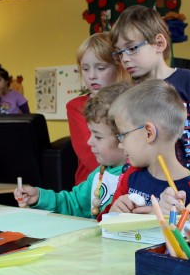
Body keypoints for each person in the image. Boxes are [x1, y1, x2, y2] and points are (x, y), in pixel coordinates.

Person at [110, 5, 190, 190]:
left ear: (160, 44)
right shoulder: (132, 95)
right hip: (159, 192)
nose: (125, 59)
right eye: (119, 52)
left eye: (131, 48)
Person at [98, 79, 190, 221]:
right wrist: (113, 212)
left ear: (149, 133)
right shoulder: (131, 176)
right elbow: (104, 225)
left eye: (122, 135)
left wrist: (182, 219)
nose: (120, 145)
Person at [15, 82, 130, 218]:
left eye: (98, 136)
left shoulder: (140, 178)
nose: (89, 142)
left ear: (124, 137)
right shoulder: (98, 175)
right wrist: (40, 197)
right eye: (90, 134)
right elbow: (73, 203)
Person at [67, 32, 130, 185]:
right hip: (91, 188)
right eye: (85, 69)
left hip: (129, 182)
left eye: (101, 68)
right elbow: (90, 156)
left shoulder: (132, 102)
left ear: (119, 67)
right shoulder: (76, 107)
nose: (92, 76)